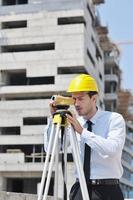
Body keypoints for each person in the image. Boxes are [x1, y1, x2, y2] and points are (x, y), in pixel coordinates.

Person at [45, 74, 126, 200]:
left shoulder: (113, 119)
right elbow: (51, 149)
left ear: (94, 98)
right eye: (74, 99)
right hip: (79, 190)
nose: (76, 103)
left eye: (81, 99)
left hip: (107, 191)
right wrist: (53, 121)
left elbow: (113, 149)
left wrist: (83, 132)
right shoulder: (73, 123)